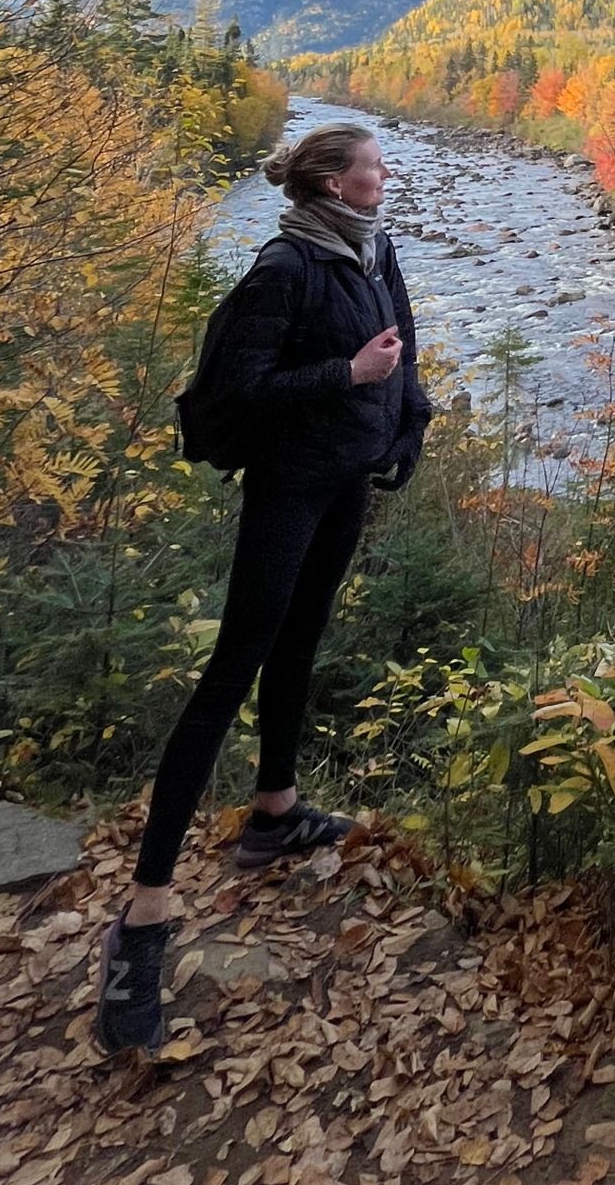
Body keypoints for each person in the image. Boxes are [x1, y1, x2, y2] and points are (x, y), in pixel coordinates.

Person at [94, 120, 430, 1054]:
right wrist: (347, 373)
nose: (384, 175)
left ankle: (274, 812)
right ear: (330, 180)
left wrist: (406, 433)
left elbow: (409, 348)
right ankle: (143, 919)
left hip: (350, 479)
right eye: (371, 165)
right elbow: (240, 391)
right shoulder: (286, 269)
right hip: (290, 486)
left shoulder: (375, 248)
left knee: (299, 646)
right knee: (232, 671)